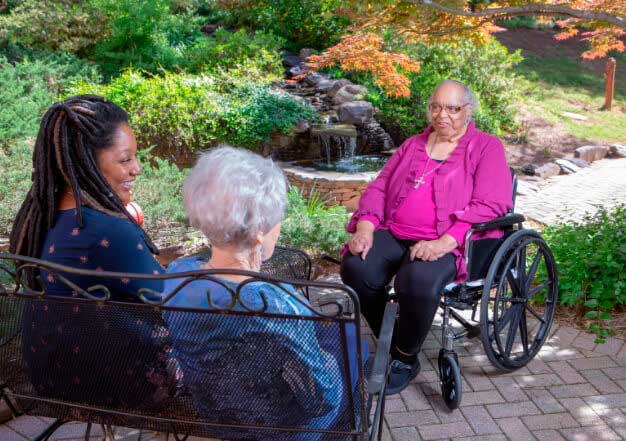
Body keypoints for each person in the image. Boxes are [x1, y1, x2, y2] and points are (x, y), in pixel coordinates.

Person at [163, 146, 367, 440]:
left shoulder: (177, 275)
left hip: (214, 415)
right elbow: (323, 401)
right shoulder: (277, 303)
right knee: (352, 344)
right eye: (277, 219)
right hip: (283, 430)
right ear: (259, 231)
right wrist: (332, 364)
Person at [340, 80, 513, 395]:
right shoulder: (413, 144)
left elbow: (491, 203)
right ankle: (393, 341)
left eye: (452, 108)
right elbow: (380, 186)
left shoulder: (486, 147)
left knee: (417, 278)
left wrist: (445, 242)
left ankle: (405, 359)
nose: (441, 115)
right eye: (436, 106)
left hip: (451, 240)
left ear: (468, 111)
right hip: (395, 230)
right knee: (356, 266)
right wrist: (365, 225)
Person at [9, 95, 170, 407]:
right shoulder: (106, 230)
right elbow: (172, 300)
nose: (137, 169)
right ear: (83, 162)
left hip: (51, 374)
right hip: (116, 382)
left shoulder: (42, 216)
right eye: (125, 160)